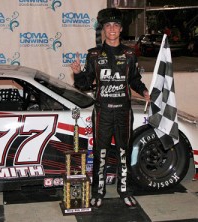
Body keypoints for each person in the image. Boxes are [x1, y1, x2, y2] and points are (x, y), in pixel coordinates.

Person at [70, 8, 150, 208]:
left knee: (125, 151)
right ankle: (99, 191)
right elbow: (85, 84)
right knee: (101, 153)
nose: (112, 28)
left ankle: (125, 190)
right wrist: (79, 73)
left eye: (115, 25)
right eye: (108, 26)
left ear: (121, 29)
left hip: (124, 111)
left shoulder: (130, 53)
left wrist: (145, 91)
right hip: (103, 111)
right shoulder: (94, 55)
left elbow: (134, 80)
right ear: (103, 30)